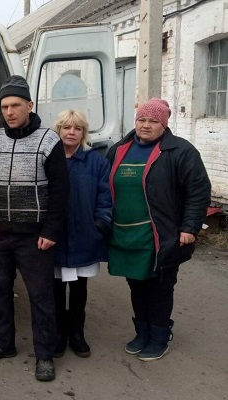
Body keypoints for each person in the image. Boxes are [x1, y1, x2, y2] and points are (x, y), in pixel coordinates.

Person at [0, 75, 69, 382]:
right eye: (5, 106)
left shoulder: (48, 140)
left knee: (41, 297)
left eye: (15, 105)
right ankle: (3, 343)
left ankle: (44, 355)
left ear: (29, 105)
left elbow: (60, 190)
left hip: (34, 236)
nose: (10, 112)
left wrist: (51, 231)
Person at [106, 98, 211, 361]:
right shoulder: (119, 149)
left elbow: (198, 192)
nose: (146, 125)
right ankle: (142, 333)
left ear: (164, 124)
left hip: (161, 235)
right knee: (136, 285)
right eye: (142, 120)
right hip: (125, 233)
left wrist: (190, 227)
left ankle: (160, 336)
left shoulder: (181, 152)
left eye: (153, 121)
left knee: (160, 286)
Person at [52, 110, 112, 359]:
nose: (71, 132)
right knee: (55, 289)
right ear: (58, 130)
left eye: (77, 128)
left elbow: (105, 196)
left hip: (84, 235)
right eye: (66, 127)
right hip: (54, 236)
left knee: (79, 290)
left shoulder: (96, 161)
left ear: (83, 132)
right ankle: (57, 333)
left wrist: (100, 224)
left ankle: (76, 333)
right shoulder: (48, 158)